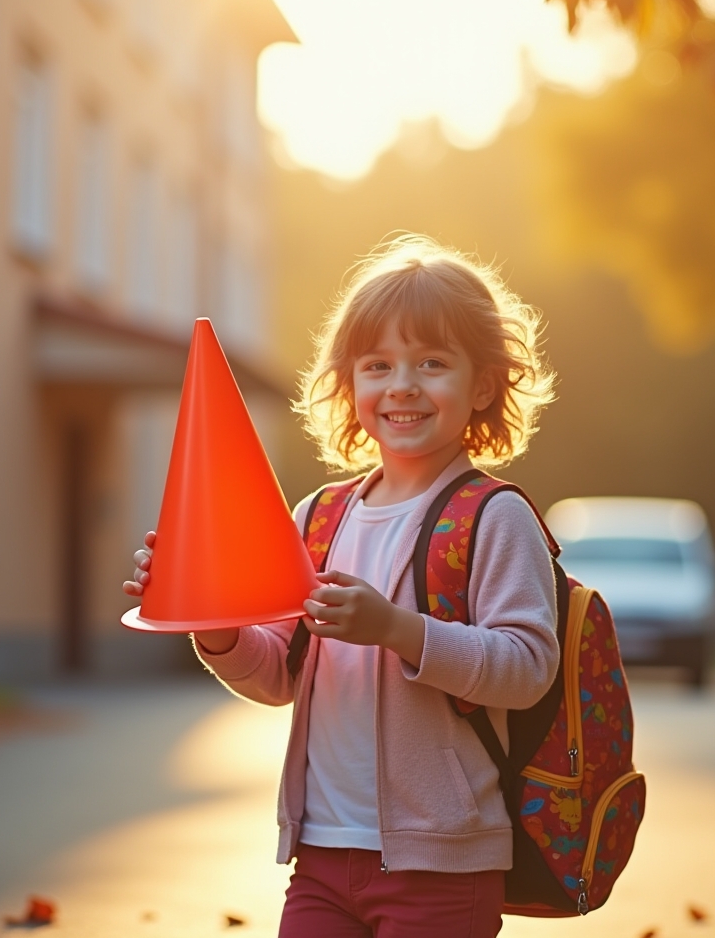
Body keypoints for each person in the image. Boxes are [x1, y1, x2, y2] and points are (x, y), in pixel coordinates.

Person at [123, 236, 559, 938]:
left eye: (433, 363)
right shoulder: (319, 517)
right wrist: (213, 622)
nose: (403, 385)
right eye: (378, 365)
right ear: (349, 384)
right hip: (322, 855)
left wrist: (396, 629)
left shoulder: (493, 516)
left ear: (482, 384)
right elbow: (277, 675)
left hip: (443, 867)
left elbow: (528, 668)